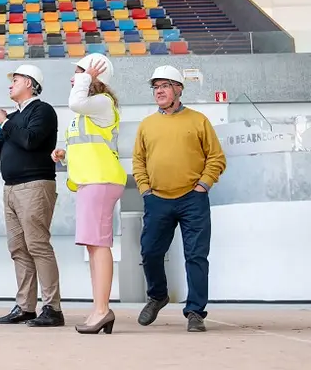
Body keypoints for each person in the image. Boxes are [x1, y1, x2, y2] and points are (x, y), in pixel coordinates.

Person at [132, 65, 227, 333]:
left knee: (196, 256)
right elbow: (138, 160)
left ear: (178, 89)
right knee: (150, 252)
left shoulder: (198, 121)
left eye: (165, 85)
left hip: (192, 199)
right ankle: (158, 295)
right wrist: (145, 189)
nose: (159, 91)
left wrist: (203, 185)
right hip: (157, 199)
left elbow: (216, 157)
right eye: (156, 87)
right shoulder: (147, 124)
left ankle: (195, 311)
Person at [0, 64, 65, 328]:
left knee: (38, 245)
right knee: (18, 249)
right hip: (11, 188)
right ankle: (25, 307)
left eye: (15, 80)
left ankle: (52, 308)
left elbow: (30, 141)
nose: (10, 84)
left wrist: (4, 122)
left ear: (29, 83)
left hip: (34, 186)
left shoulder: (42, 110)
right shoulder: (15, 117)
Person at [51, 53, 126, 335]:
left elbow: (75, 100)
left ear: (95, 75)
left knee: (99, 245)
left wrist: (87, 78)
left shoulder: (101, 103)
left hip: (100, 181)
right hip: (90, 181)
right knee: (94, 246)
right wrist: (64, 155)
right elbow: (89, 147)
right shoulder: (87, 111)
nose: (74, 77)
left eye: (80, 71)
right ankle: (99, 308)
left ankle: (102, 310)